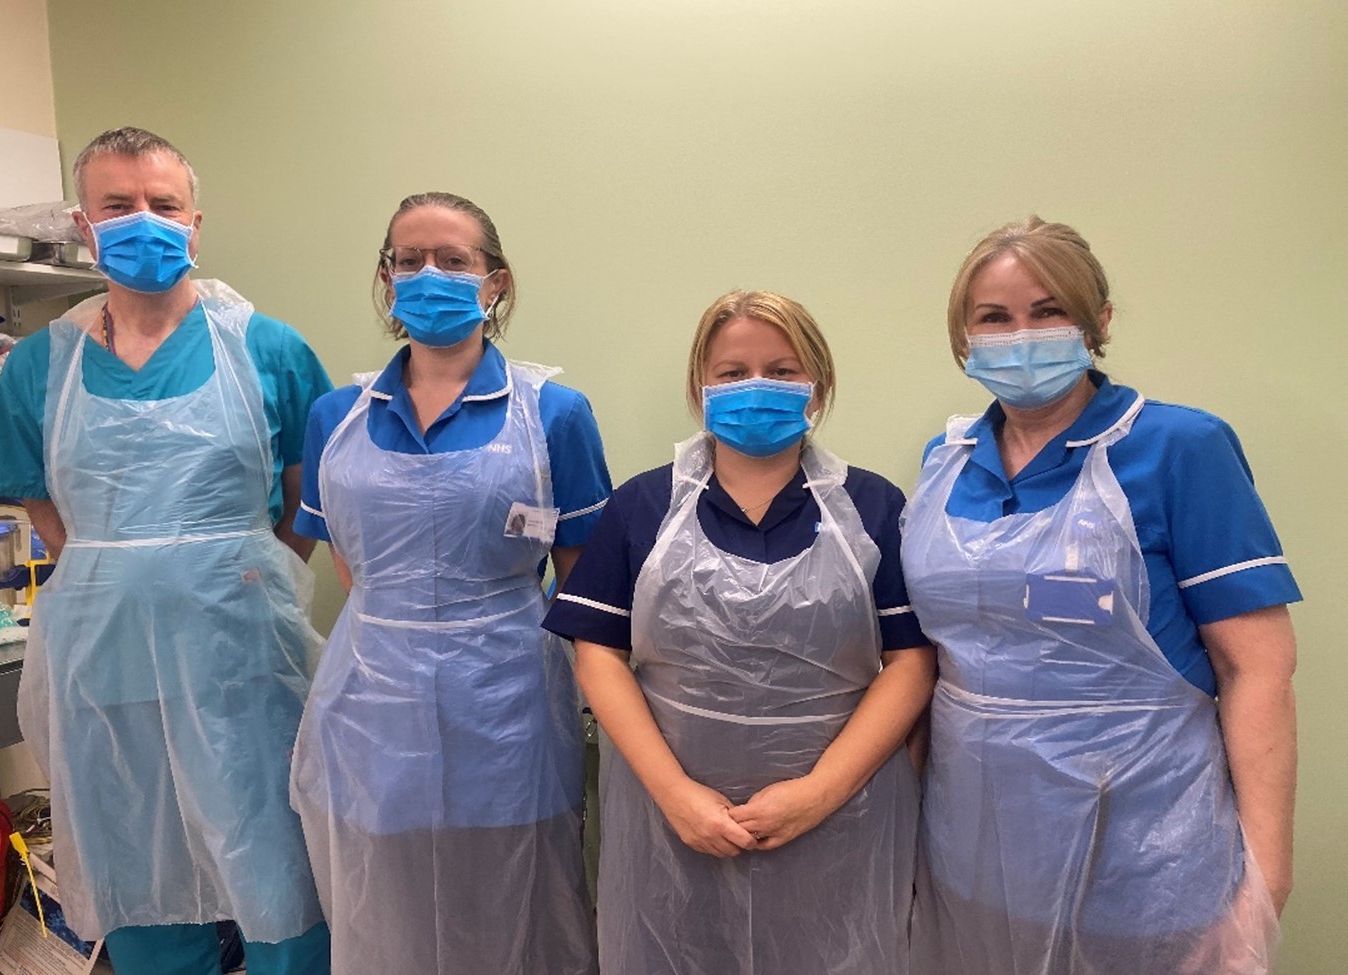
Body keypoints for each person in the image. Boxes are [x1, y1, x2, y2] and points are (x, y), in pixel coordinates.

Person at [902, 217, 1300, 975]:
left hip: (1143, 861)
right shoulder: (944, 463)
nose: (1021, 335)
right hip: (972, 850)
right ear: (963, 335)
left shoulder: (1180, 448)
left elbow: (1258, 668)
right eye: (995, 317)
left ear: (1098, 321)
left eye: (1048, 311)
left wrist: (1265, 883)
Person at [0, 127, 334, 974]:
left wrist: (241, 571)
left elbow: (311, 496)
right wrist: (119, 570)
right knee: (133, 851)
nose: (145, 221)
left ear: (196, 222)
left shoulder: (268, 349)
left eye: (163, 205)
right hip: (104, 658)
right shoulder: (41, 366)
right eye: (119, 205)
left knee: (274, 855)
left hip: (243, 653)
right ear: (84, 224)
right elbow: (42, 502)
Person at [545, 291, 935, 975]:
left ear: (818, 385)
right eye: (732, 371)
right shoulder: (643, 504)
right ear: (700, 387)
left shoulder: (871, 506)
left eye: (782, 370)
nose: (756, 387)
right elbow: (598, 652)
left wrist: (818, 792)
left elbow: (910, 663)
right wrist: (675, 793)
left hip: (841, 816)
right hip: (670, 819)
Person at [289, 191, 611, 974]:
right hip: (371, 701)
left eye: (454, 260)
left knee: (514, 893)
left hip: (509, 701)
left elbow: (584, 584)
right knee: (385, 898)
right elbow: (352, 562)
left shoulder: (553, 415)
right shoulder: (340, 413)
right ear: (386, 277)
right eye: (409, 260)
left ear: (494, 282)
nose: (429, 274)